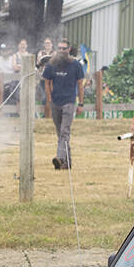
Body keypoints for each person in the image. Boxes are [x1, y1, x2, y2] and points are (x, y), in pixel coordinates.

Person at [42, 38, 86, 169]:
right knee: (60, 133)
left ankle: (60, 158)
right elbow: (47, 83)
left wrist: (81, 104)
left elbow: (80, 85)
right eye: (59, 48)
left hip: (69, 102)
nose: (61, 51)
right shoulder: (51, 64)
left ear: (69, 49)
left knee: (64, 131)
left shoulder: (76, 65)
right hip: (55, 102)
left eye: (64, 48)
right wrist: (49, 100)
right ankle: (67, 163)